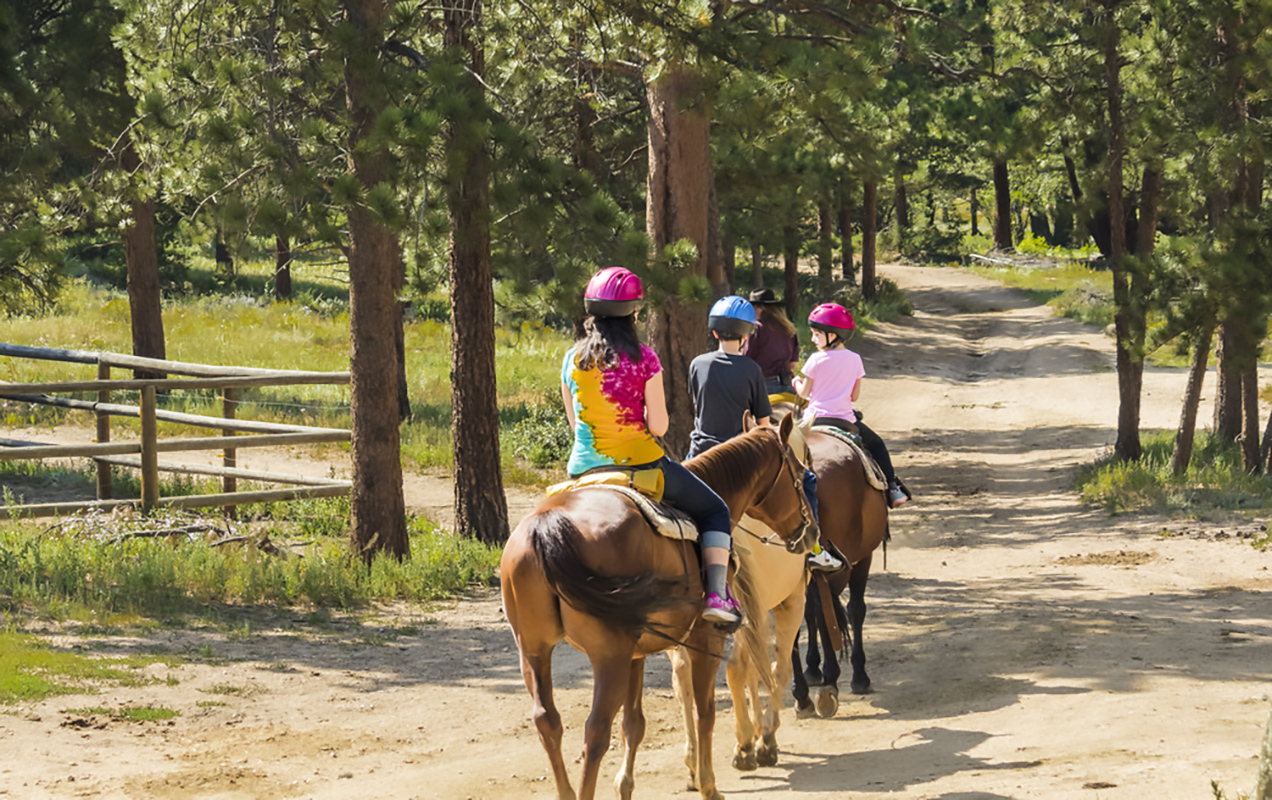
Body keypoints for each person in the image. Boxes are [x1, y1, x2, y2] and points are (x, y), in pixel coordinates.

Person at [561, 267, 742, 624]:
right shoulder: (645, 359)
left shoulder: (572, 359)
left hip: (582, 467)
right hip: (639, 464)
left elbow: (575, 423)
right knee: (715, 510)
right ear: (634, 313)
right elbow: (658, 426)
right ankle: (717, 596)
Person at [795, 302, 908, 509]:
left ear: (833, 335)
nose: (813, 339)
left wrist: (796, 383)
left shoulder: (815, 359)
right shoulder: (855, 359)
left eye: (817, 334)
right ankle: (893, 488)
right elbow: (854, 396)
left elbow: (804, 393)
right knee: (877, 445)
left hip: (813, 419)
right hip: (845, 420)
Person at [686, 296, 772, 459]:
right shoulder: (752, 369)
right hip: (738, 453)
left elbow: (699, 408)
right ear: (746, 335)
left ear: (715, 332)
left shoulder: (697, 364)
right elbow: (763, 423)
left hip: (701, 452)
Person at [745, 288, 801, 397]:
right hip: (788, 385)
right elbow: (793, 364)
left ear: (759, 308)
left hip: (763, 386)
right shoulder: (788, 328)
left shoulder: (756, 328)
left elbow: (746, 359)